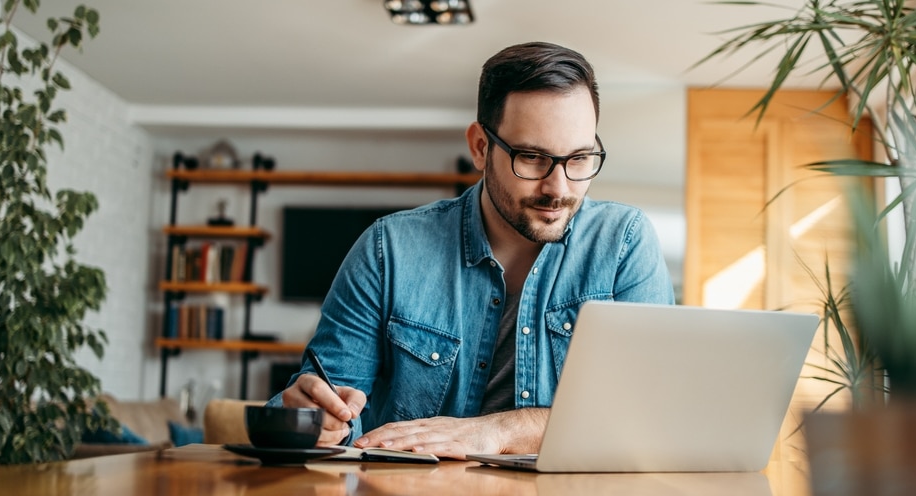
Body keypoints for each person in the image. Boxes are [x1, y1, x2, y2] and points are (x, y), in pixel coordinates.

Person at [268, 41, 674, 458]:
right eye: (532, 157)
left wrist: (498, 431)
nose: (560, 188)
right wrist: (312, 418)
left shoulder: (624, 242)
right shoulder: (387, 249)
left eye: (579, 158)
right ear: (481, 147)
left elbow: (653, 414)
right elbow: (320, 406)